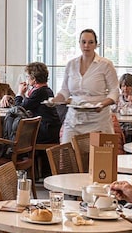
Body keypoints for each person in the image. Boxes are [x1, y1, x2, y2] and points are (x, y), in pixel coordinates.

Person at [47, 29, 118, 167]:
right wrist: (54, 101)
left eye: (90, 42)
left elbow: (114, 91)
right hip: (74, 119)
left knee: (100, 163)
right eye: (83, 42)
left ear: (96, 44)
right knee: (66, 160)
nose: (86, 45)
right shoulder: (71, 64)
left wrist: (102, 104)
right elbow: (65, 91)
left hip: (98, 120)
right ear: (79, 43)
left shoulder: (105, 65)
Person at [11, 62, 60, 144]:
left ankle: (11, 148)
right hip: (51, 130)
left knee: (16, 131)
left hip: (45, 133)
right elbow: (28, 104)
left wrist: (19, 93)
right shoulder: (46, 90)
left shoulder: (39, 92)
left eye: (27, 76)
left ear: (34, 78)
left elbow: (18, 108)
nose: (26, 79)